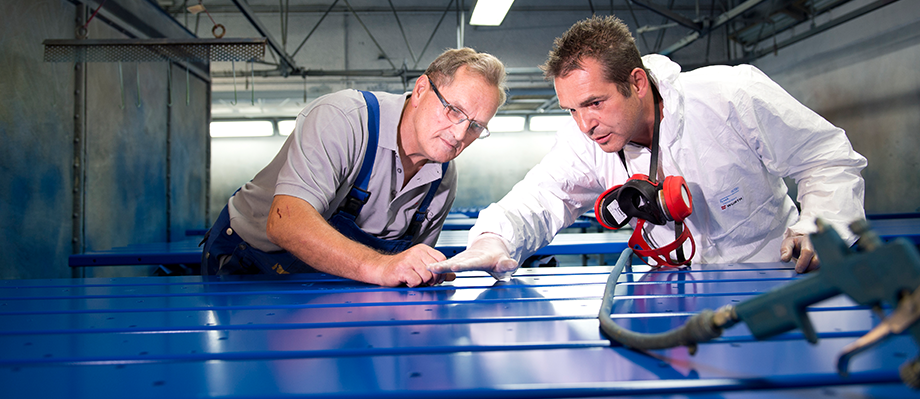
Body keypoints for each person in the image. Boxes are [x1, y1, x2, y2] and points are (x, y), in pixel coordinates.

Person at [429, 15, 866, 280]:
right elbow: (540, 198)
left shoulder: (729, 96)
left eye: (595, 103)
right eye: (571, 110)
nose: (585, 124)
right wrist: (492, 239)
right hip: (673, 297)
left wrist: (819, 225)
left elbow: (826, 157)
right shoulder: (587, 141)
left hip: (775, 279)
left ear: (637, 82)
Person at [201, 47, 507, 287]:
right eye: (453, 111)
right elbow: (285, 222)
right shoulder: (344, 119)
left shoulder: (442, 178)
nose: (459, 135)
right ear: (421, 90)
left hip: (335, 282)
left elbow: (406, 267)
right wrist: (381, 265)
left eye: (476, 126)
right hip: (250, 265)